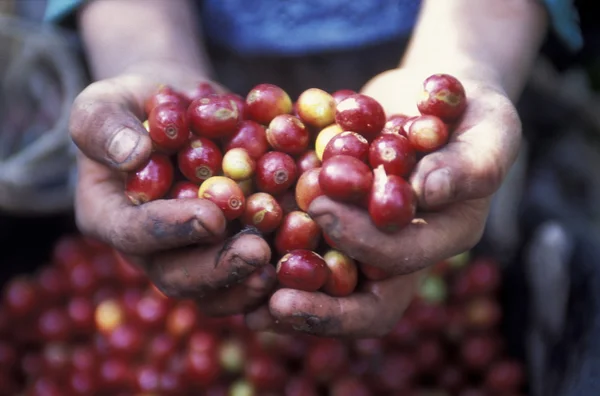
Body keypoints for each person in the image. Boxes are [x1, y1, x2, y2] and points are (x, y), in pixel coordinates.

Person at [44, 0, 581, 338]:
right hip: (196, 53)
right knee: (242, 269)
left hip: (443, 43)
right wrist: (145, 59)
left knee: (448, 230)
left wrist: (472, 56)